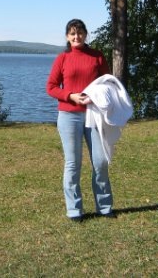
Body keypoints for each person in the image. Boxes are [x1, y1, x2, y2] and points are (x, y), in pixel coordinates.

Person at [46, 18, 116, 222]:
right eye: (72, 33)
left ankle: (104, 207)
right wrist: (71, 96)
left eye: (80, 33)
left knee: (100, 162)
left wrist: (96, 97)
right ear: (67, 37)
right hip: (69, 116)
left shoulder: (97, 56)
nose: (76, 37)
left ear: (86, 34)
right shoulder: (62, 58)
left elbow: (108, 83)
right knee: (73, 164)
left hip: (94, 115)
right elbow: (51, 87)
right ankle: (74, 210)